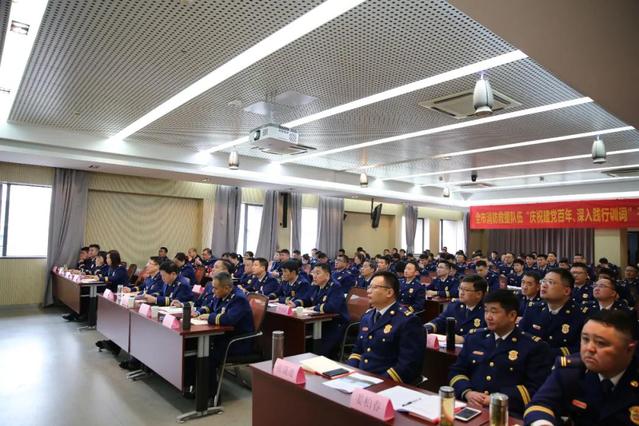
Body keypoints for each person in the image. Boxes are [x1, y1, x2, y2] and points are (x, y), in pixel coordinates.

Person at [524, 310, 639, 425]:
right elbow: (540, 405)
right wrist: (543, 423)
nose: (589, 348)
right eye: (585, 339)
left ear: (630, 349)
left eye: (601, 343)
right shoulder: (571, 370)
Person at [449, 290, 552, 416]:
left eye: (494, 312)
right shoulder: (474, 338)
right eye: (486, 311)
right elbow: (457, 371)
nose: (488, 317)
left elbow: (536, 388)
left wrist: (496, 399)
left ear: (512, 315)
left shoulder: (534, 346)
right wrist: (467, 392)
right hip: (471, 406)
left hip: (508, 411)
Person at [346, 271, 425, 384]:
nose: (368, 291)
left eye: (374, 287)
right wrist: (349, 372)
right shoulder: (367, 316)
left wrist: (379, 383)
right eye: (369, 287)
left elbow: (408, 365)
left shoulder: (407, 321)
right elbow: (357, 351)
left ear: (389, 292)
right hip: (361, 378)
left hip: (387, 382)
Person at [196, 272, 255, 401]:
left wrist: (209, 317)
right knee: (195, 347)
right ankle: (193, 386)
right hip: (223, 337)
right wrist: (198, 312)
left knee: (206, 356)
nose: (213, 291)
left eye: (215, 288)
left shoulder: (239, 299)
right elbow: (211, 306)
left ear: (227, 288)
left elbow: (228, 319)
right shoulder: (221, 293)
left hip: (236, 343)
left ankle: (211, 395)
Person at [519, 268, 585, 357]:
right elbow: (520, 336)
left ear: (566, 291)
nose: (544, 285)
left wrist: (545, 354)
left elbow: (579, 348)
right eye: (543, 281)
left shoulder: (579, 315)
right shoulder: (533, 308)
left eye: (550, 282)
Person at [292, 263, 349, 357]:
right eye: (313, 273)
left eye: (318, 273)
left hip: (335, 323)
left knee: (319, 352)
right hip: (320, 322)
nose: (314, 276)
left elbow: (332, 307)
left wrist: (315, 307)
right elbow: (308, 299)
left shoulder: (335, 286)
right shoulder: (316, 285)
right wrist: (296, 303)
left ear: (327, 275)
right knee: (298, 336)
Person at [425, 275, 487, 342]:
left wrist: (463, 339)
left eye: (466, 290)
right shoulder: (454, 305)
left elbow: (488, 334)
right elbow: (440, 321)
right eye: (460, 289)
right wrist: (427, 328)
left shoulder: (487, 310)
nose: (461, 293)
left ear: (478, 294)